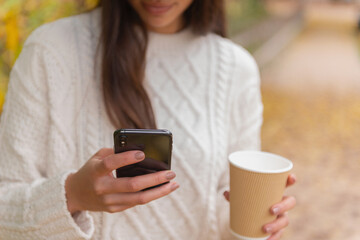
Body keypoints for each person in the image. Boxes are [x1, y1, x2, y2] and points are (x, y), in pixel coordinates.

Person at [0, 0, 296, 239]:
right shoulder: (51, 51)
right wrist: (72, 196)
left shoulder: (235, 68)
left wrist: (259, 225)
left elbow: (222, 212)